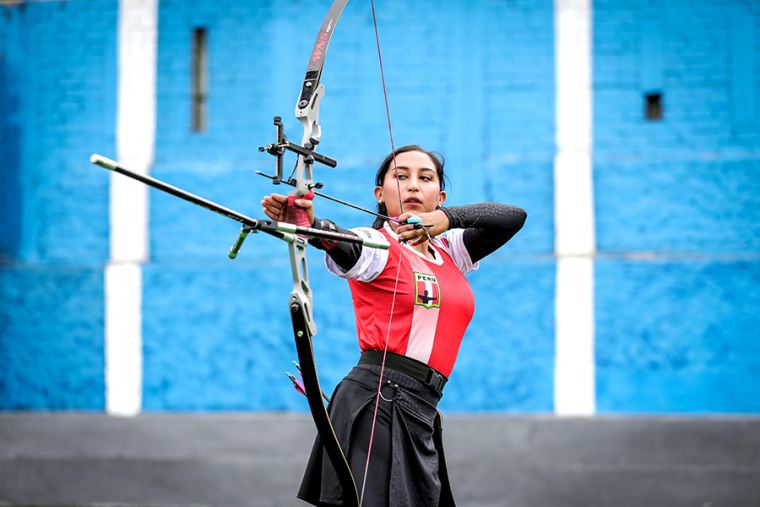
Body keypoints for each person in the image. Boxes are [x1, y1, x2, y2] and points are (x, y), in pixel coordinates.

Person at [261, 145, 527, 506]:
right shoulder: (377, 245)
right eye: (400, 177)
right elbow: (344, 244)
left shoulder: (450, 250)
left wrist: (448, 219)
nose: (413, 186)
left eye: (425, 178)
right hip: (378, 402)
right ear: (380, 195)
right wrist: (314, 227)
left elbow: (513, 217)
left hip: (420, 408)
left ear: (440, 196)